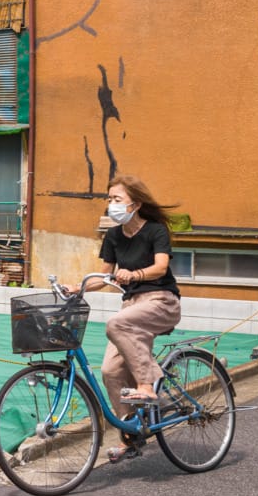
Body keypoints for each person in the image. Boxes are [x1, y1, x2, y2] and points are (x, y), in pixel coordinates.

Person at [66, 174, 181, 461]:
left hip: (161, 301)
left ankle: (146, 385)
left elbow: (160, 267)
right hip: (132, 305)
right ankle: (132, 434)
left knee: (117, 323)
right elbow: (106, 275)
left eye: (117, 199)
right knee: (110, 371)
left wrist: (135, 274)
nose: (111, 204)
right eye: (109, 199)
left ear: (136, 204)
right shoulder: (114, 235)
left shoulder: (155, 231)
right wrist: (77, 286)